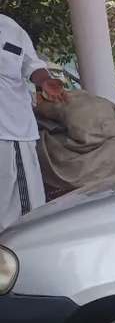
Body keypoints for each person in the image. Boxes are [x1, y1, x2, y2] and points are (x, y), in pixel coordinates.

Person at [1, 13, 67, 231]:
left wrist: (45, 81)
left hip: (10, 134)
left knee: (21, 217)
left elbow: (31, 64)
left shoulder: (9, 27)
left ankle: (22, 261)